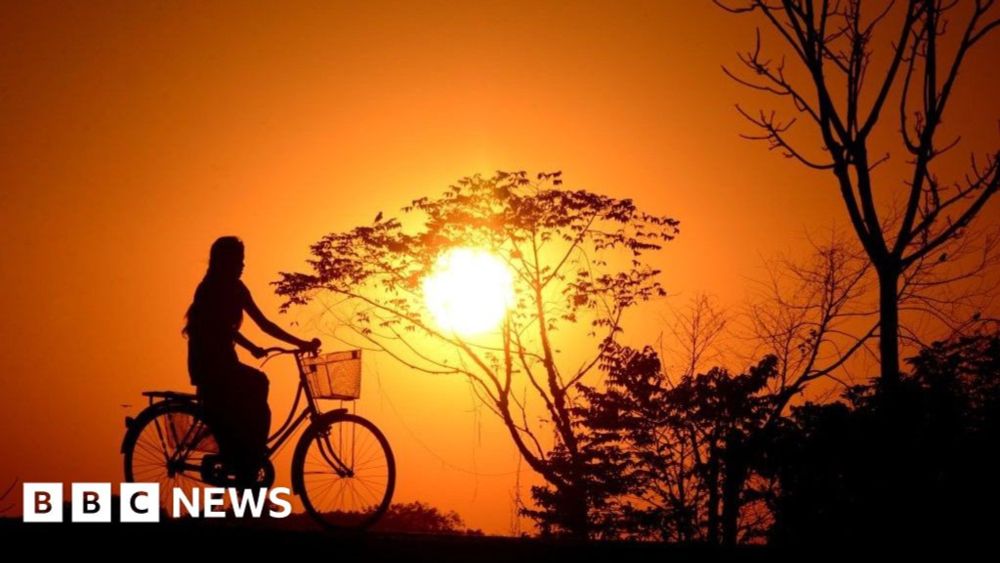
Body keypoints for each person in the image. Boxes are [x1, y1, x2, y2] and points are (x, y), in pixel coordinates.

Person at [182, 236, 319, 485]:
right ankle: (251, 455)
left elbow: (264, 324)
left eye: (243, 260)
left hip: (224, 360)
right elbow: (220, 327)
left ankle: (248, 457)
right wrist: (252, 346)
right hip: (209, 363)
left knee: (250, 394)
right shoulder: (211, 288)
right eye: (238, 260)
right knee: (257, 383)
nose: (242, 265)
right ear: (224, 261)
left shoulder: (237, 287)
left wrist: (300, 343)